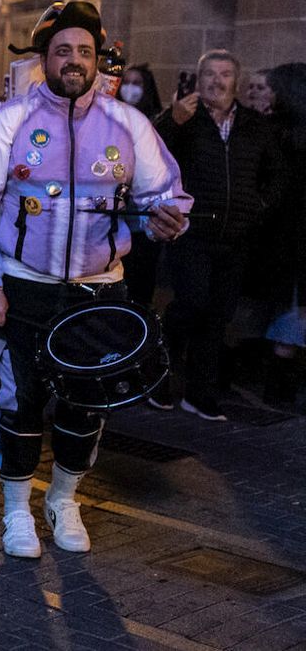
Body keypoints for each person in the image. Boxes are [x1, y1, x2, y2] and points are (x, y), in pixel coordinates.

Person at [0, 1, 189, 558]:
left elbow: (166, 197)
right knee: (20, 403)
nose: (75, 60)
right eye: (63, 50)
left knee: (87, 404)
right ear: (45, 58)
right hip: (24, 286)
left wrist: (168, 220)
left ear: (96, 59)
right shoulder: (10, 121)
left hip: (99, 290)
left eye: (85, 51)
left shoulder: (128, 125)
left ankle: (63, 500)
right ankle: (17, 510)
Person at [152, 49, 282, 419]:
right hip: (192, 233)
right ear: (198, 79)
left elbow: (276, 173)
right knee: (190, 305)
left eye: (225, 74)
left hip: (236, 237)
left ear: (235, 81)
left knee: (217, 316)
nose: (217, 81)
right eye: (209, 74)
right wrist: (172, 120)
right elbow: (151, 155)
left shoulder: (254, 124)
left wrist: (258, 206)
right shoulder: (186, 117)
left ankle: (199, 393)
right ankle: (158, 374)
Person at [261, 64, 306, 406]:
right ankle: (282, 388)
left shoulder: (280, 133)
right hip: (290, 237)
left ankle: (281, 388)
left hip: (289, 236)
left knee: (291, 314)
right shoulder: (282, 132)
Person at [118, 63, 166, 308]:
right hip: (117, 218)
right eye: (126, 82)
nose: (130, 88)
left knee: (141, 283)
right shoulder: (111, 118)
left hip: (143, 219)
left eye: (136, 83)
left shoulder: (157, 122)